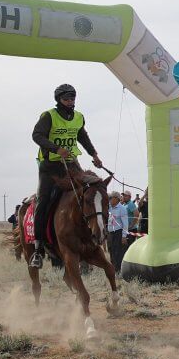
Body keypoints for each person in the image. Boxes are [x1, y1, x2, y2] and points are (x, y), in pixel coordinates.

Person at [29, 84, 105, 269]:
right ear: (59, 100)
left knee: (90, 192)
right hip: (50, 167)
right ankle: (38, 250)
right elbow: (36, 135)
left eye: (73, 99)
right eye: (67, 99)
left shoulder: (78, 117)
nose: (70, 102)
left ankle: (89, 239)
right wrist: (56, 148)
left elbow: (82, 136)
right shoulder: (48, 116)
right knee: (44, 201)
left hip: (71, 164)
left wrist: (94, 154)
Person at [106, 192, 128, 269]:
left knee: (117, 252)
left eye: (110, 198)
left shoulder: (122, 209)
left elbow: (125, 223)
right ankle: (113, 268)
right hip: (109, 233)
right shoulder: (108, 207)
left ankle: (118, 270)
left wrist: (124, 236)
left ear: (116, 199)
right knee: (111, 251)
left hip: (118, 233)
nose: (109, 200)